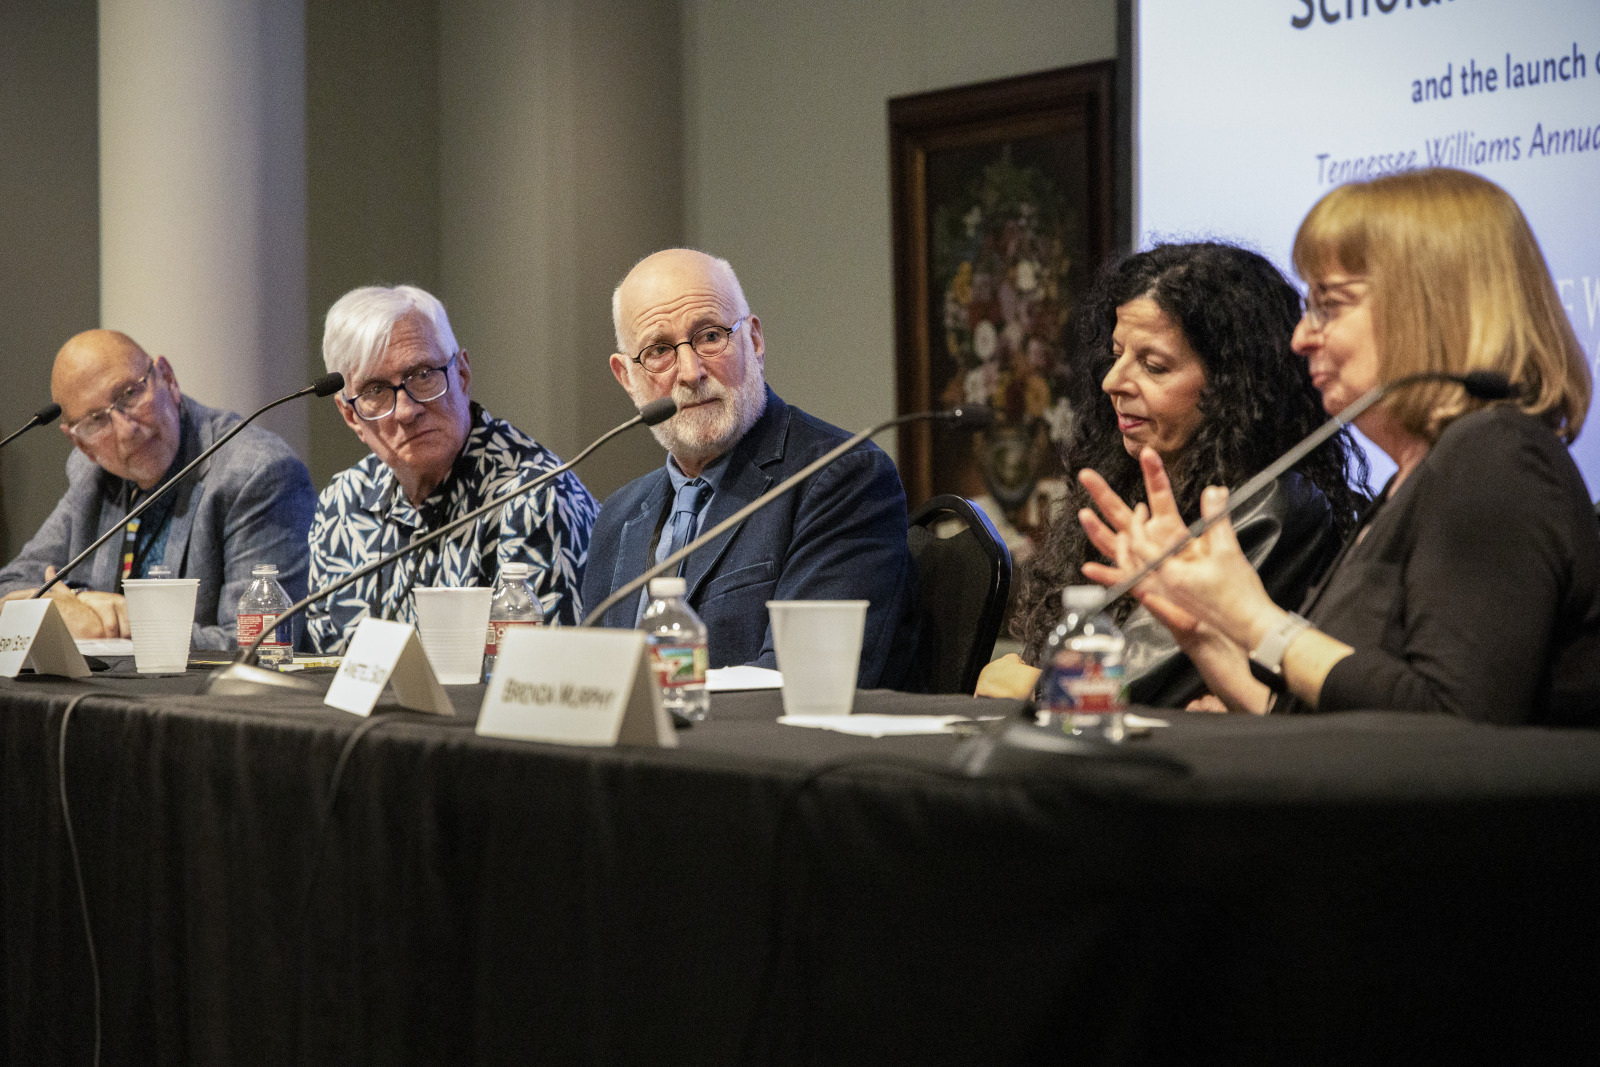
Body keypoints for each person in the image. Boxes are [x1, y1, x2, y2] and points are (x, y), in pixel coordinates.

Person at [1084, 169, 1600, 725]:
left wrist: (1255, 620)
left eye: (1329, 305)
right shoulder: (1419, 476)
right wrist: (1206, 634)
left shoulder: (1496, 455)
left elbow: (1451, 727)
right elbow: (1344, 731)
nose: (1302, 337)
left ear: (1428, 309)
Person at [977, 243, 1367, 706]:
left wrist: (1038, 687)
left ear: (1230, 385)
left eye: (1153, 365)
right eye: (1117, 354)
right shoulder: (1125, 479)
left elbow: (1146, 682)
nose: (1113, 381)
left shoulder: (1273, 503)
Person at [582, 248, 918, 686]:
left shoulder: (842, 478)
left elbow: (807, 681)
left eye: (709, 336)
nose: (690, 372)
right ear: (627, 377)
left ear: (754, 341)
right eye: (660, 350)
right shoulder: (617, 516)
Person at [305, 285, 598, 653]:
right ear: (351, 415)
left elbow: (541, 681)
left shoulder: (536, 496)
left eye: (423, 374)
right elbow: (327, 665)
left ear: (461, 373)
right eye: (376, 390)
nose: (407, 411)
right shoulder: (342, 504)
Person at [0, 329, 316, 649]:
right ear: (81, 443)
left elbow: (261, 644)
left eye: (128, 395)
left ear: (167, 378)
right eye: (96, 420)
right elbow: (10, 585)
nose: (127, 430)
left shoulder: (255, 472)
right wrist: (76, 604)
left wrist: (129, 626)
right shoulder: (92, 475)